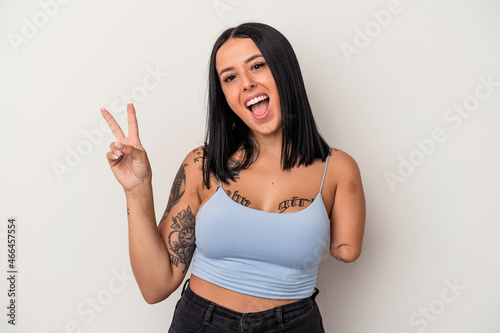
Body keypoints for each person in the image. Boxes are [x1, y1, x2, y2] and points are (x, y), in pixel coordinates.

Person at [101, 22, 365, 333]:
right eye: (230, 77)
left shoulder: (338, 169)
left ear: (285, 71)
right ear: (225, 95)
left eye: (257, 66)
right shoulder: (203, 165)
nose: (248, 84)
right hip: (202, 322)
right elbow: (155, 287)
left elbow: (348, 249)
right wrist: (136, 189)